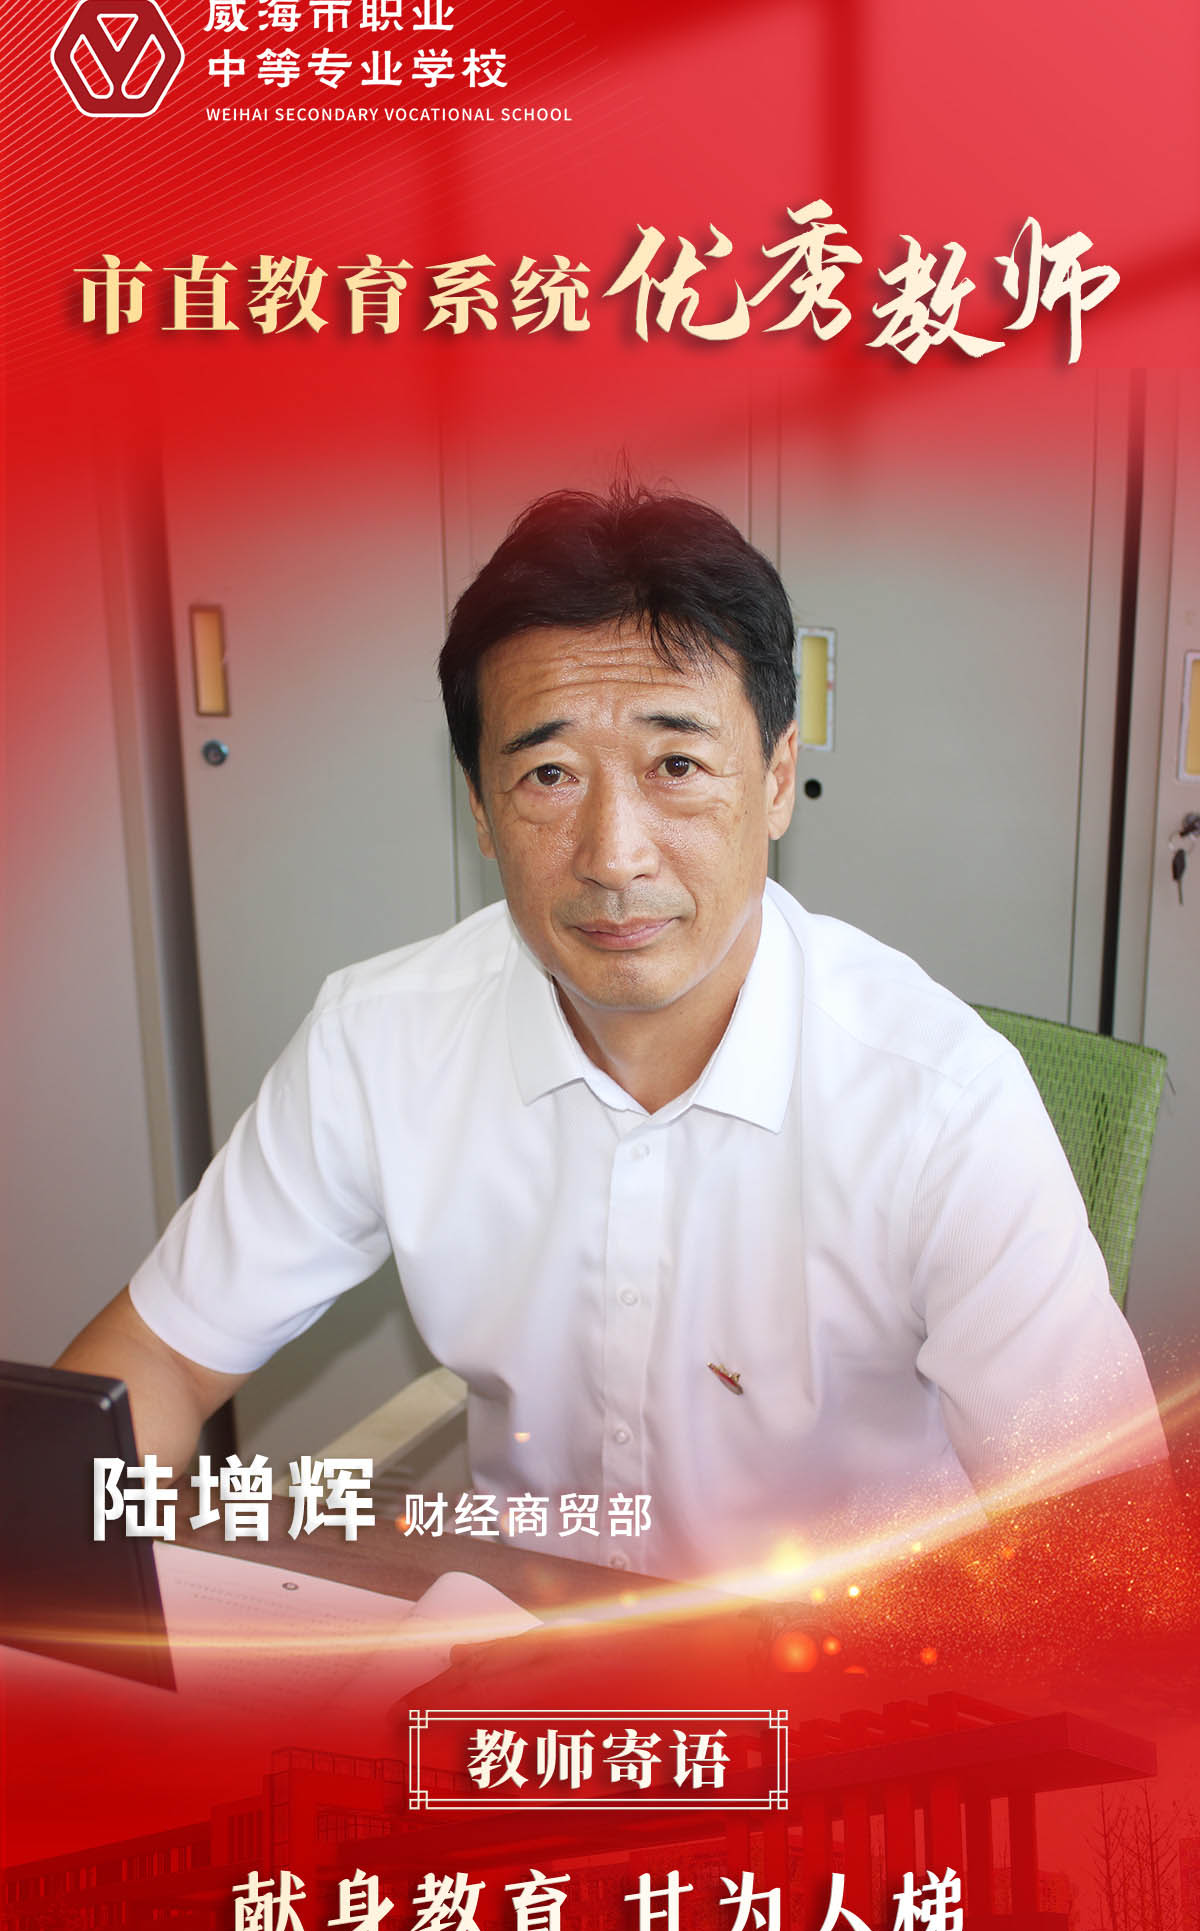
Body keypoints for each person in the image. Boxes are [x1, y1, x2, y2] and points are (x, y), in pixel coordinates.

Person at [58, 485, 1168, 1580]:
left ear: (778, 779)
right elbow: (157, 1358)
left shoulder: (944, 1105)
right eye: (548, 775)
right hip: (515, 1654)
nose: (613, 856)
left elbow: (1103, 1555)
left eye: (676, 765)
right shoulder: (380, 1042)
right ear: (480, 810)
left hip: (849, 1668)